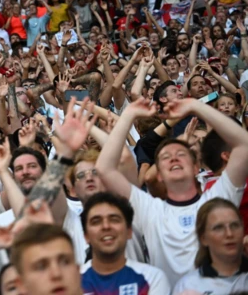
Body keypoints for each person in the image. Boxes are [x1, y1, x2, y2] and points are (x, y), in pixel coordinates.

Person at [96, 97, 248, 286]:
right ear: (159, 174)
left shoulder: (217, 199)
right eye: (166, 157)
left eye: (181, 154)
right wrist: (129, 113)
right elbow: (105, 169)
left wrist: (195, 106)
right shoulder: (149, 208)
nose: (174, 158)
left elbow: (243, 145)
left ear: (195, 168)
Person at [80, 192, 171, 294]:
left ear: (129, 231)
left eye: (114, 219)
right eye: (96, 221)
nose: (106, 226)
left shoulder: (152, 279)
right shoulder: (71, 281)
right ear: (86, 236)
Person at [172, 198, 248, 294]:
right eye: (218, 228)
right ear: (203, 239)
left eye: (235, 225)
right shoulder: (188, 285)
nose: (229, 234)